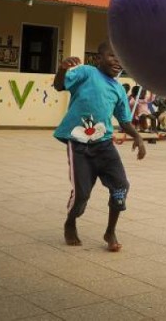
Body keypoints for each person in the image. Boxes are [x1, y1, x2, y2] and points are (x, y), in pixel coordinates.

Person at [53, 42, 146, 252]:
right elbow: (60, 86)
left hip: (104, 146)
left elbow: (123, 120)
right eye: (112, 56)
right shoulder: (87, 73)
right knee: (82, 194)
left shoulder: (119, 90)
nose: (118, 61)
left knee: (121, 187)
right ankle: (70, 221)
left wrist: (138, 138)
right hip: (79, 145)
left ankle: (110, 231)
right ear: (99, 58)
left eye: (121, 58)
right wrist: (62, 70)